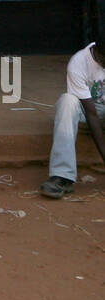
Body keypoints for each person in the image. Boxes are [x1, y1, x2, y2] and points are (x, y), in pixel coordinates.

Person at [40, 39, 105, 198]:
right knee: (67, 101)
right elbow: (91, 114)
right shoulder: (79, 62)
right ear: (97, 52)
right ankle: (62, 176)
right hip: (88, 113)